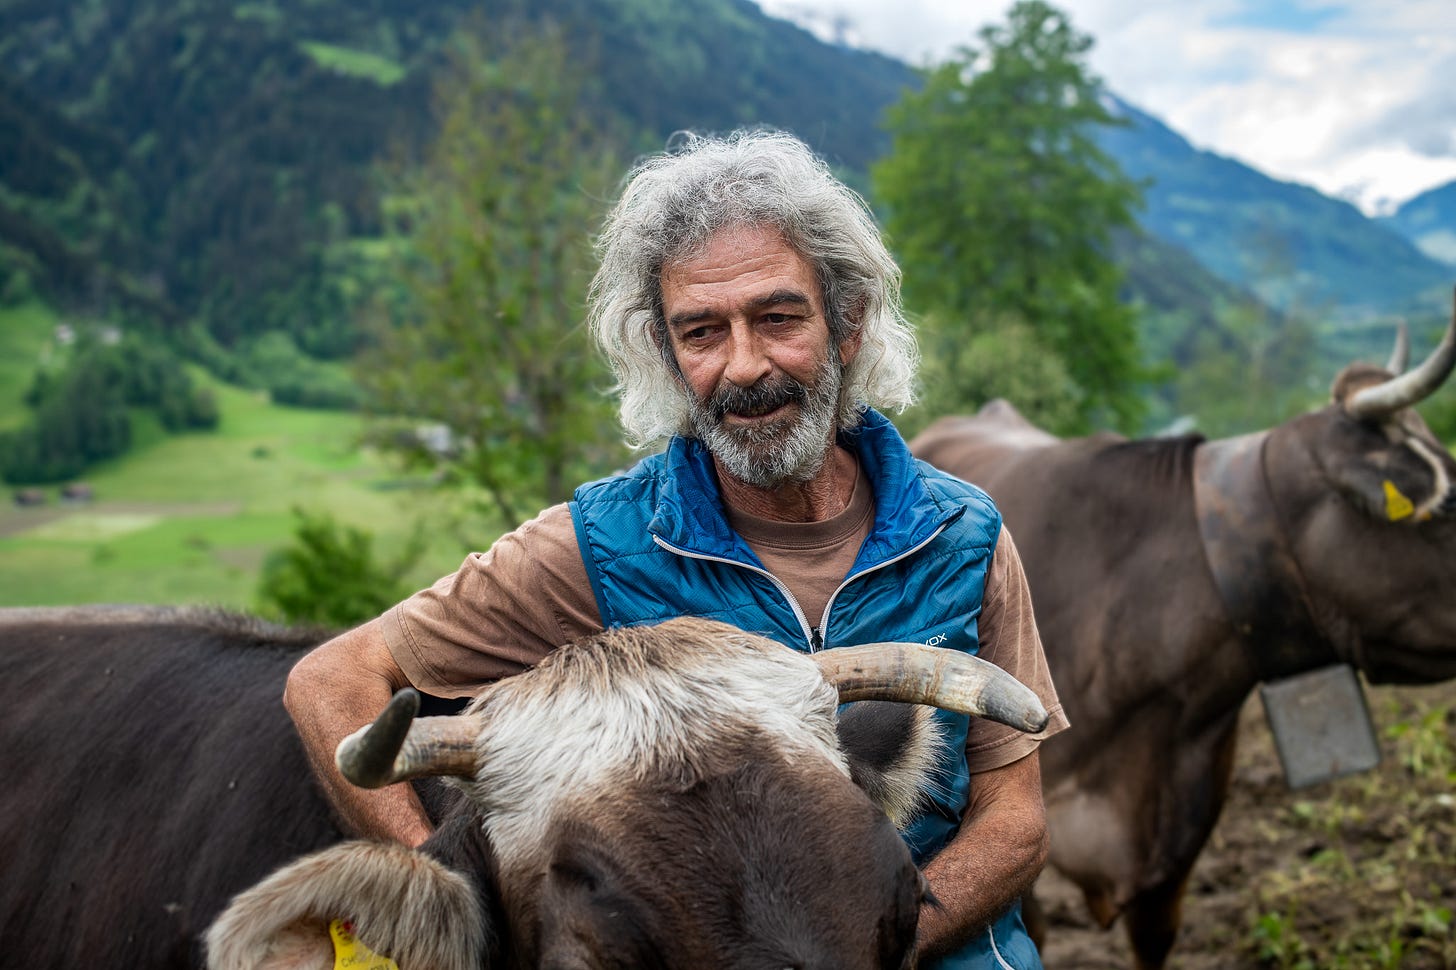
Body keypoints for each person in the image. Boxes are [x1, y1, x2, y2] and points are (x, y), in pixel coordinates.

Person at [285, 129, 1069, 969]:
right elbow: (329, 681)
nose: (744, 366)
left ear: (847, 325)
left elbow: (1015, 821)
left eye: (777, 318)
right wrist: (448, 904)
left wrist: (876, 950)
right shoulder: (599, 546)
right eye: (701, 333)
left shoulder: (963, 534)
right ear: (665, 355)